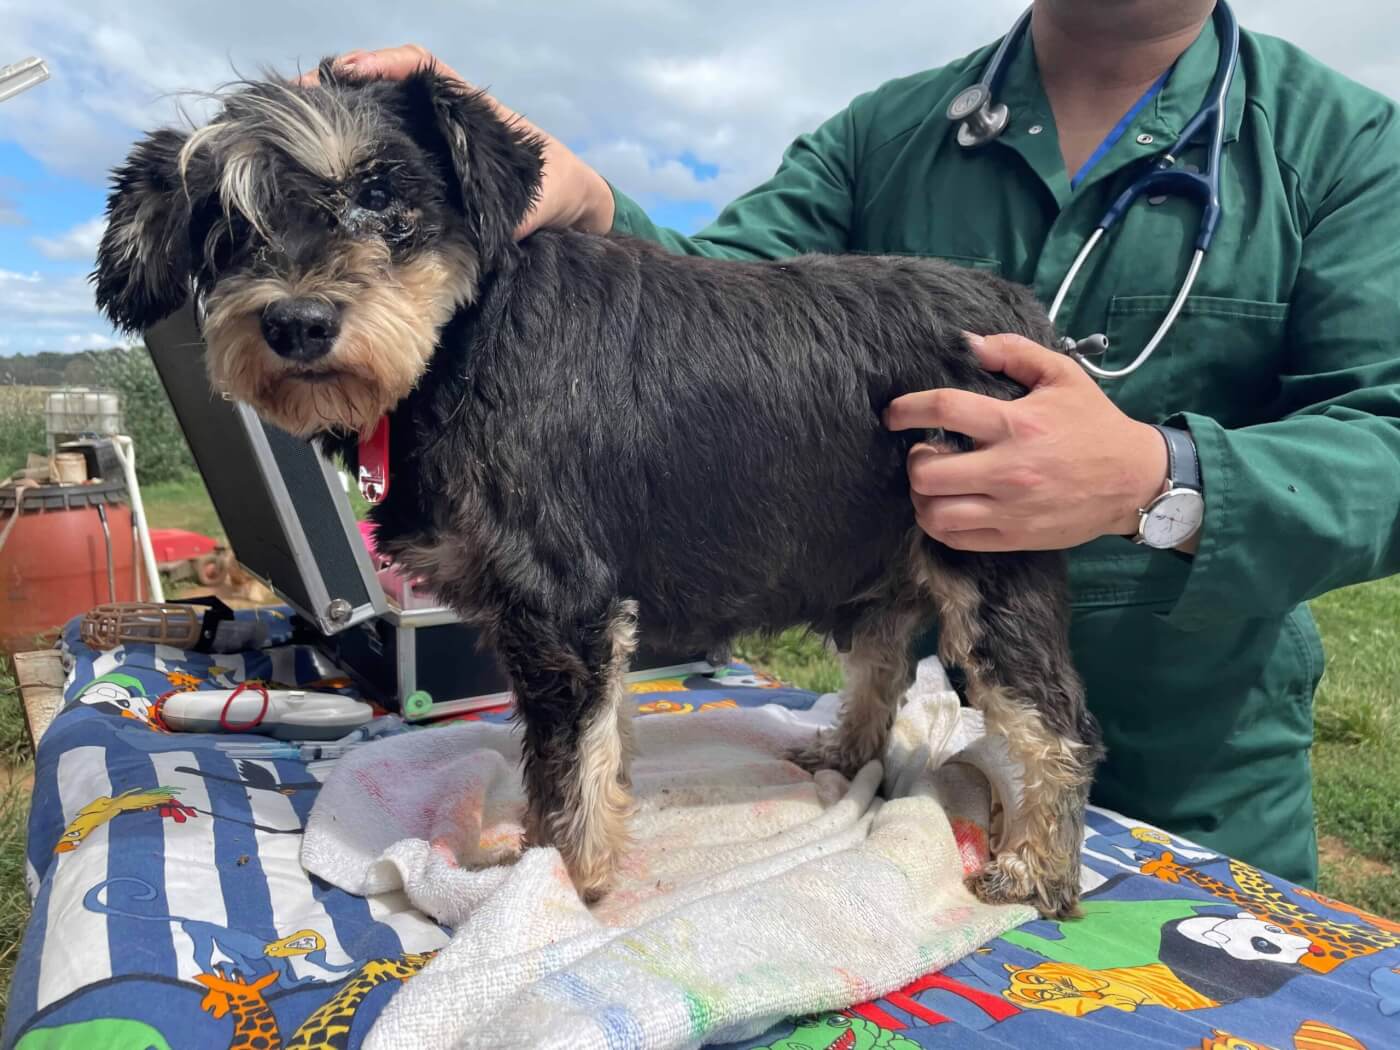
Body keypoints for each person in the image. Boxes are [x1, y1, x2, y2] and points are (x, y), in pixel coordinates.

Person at [322, 0, 1400, 887]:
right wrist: (591, 199)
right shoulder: (884, 133)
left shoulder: (1344, 146)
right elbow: (704, 322)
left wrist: (1159, 481)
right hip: (912, 780)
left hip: (1204, 801)